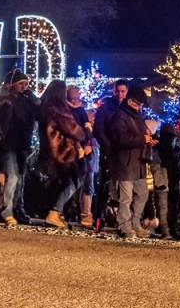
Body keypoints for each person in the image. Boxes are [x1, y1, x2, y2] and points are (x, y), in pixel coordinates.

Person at [39, 79, 90, 230]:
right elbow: (73, 129)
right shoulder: (57, 109)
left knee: (60, 183)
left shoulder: (44, 107)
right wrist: (87, 130)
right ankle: (54, 211)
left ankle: (55, 211)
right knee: (75, 179)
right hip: (62, 151)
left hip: (50, 151)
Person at [0, 70, 37, 226]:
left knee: (19, 178)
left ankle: (14, 208)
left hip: (22, 143)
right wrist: (0, 136)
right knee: (13, 177)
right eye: (21, 84)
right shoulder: (6, 100)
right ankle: (6, 210)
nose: (24, 87)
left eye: (26, 84)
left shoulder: (26, 100)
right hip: (9, 143)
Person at [107, 86, 152, 238]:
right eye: (138, 104)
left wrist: (149, 137)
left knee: (142, 193)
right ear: (131, 101)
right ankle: (124, 226)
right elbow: (122, 139)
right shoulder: (119, 116)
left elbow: (141, 133)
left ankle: (135, 223)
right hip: (123, 163)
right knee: (125, 198)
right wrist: (142, 139)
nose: (140, 107)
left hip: (137, 162)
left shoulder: (136, 116)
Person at [93, 79, 129, 227]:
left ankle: (123, 219)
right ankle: (98, 216)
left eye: (122, 91)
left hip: (125, 152)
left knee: (125, 186)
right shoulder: (106, 108)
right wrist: (107, 147)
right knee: (104, 185)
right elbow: (98, 130)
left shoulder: (130, 108)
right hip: (109, 151)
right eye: (117, 91)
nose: (119, 94)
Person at [66, 86, 98, 227]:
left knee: (87, 183)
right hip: (71, 149)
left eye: (76, 97)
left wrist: (88, 143)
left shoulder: (83, 111)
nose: (74, 100)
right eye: (71, 98)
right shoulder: (66, 111)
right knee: (72, 181)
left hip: (86, 150)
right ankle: (67, 211)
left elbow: (88, 130)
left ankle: (86, 214)